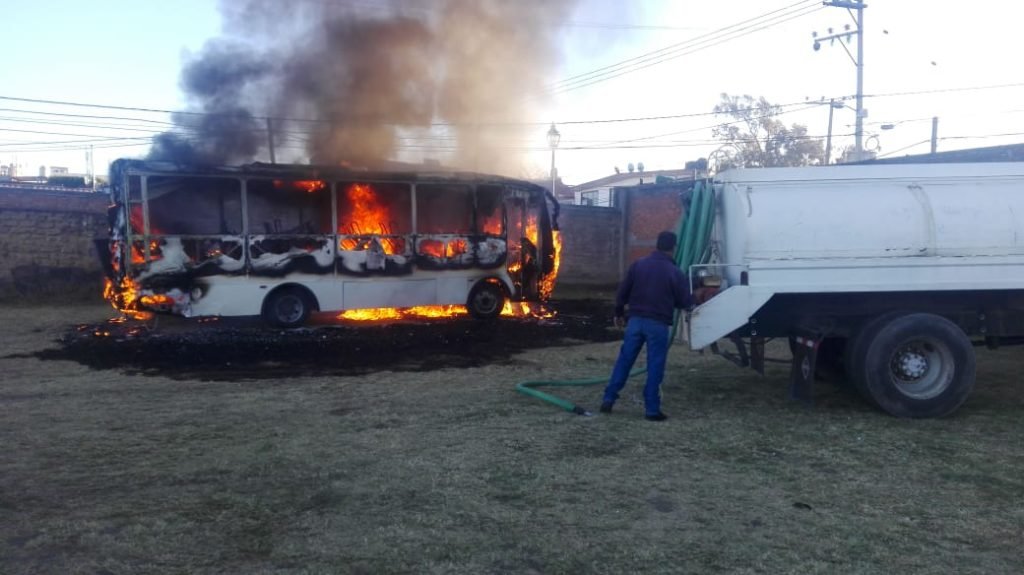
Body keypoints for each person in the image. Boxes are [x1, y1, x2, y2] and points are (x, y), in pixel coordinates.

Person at [600, 231, 693, 421]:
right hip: (657, 324)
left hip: (635, 321)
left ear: (657, 245)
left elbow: (623, 291)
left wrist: (618, 313)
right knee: (655, 365)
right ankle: (651, 410)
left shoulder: (638, 265)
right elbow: (685, 302)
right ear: (673, 248)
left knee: (624, 361)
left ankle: (608, 399)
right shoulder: (675, 272)